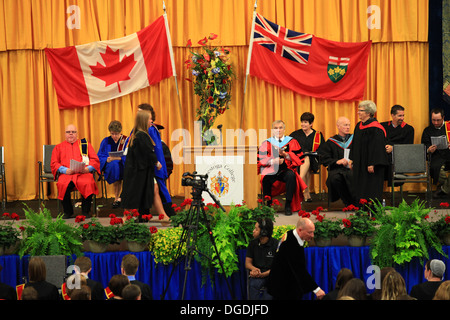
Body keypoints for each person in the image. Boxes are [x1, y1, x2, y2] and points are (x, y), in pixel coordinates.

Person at [123, 103, 174, 220]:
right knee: (146, 191)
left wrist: (157, 164)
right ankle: (148, 217)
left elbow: (154, 149)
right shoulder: (139, 131)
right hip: (141, 167)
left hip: (148, 167)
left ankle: (167, 216)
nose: (137, 114)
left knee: (156, 190)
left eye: (140, 112)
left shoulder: (149, 130)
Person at [267, 217, 325, 300]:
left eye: (313, 232)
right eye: (310, 232)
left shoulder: (291, 235)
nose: (312, 235)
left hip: (289, 284)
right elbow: (299, 269)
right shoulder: (290, 244)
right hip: (282, 289)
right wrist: (316, 289)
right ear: (300, 230)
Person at [257, 120, 307, 215]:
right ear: (272, 130)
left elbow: (300, 159)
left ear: (284, 129)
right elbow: (260, 160)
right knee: (265, 178)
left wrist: (286, 155)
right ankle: (268, 205)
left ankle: (288, 205)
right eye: (276, 128)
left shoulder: (292, 141)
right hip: (271, 169)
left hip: (286, 169)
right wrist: (273, 161)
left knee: (291, 176)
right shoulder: (267, 143)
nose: (278, 130)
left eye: (280, 128)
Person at [50, 124, 101, 218]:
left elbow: (95, 160)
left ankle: (85, 211)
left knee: (88, 182)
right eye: (68, 132)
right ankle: (68, 212)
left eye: (73, 132)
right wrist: (65, 170)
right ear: (65, 134)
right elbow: (54, 163)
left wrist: (87, 169)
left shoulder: (85, 145)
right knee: (62, 184)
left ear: (77, 134)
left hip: (83, 173)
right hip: (67, 174)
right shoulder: (59, 147)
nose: (71, 134)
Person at [350, 100, 388, 203]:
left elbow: (377, 148)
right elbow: (355, 144)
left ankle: (374, 213)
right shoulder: (358, 126)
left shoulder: (376, 128)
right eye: (358, 110)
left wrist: (372, 163)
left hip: (371, 166)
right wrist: (352, 159)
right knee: (360, 188)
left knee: (372, 190)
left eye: (361, 110)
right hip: (360, 165)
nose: (358, 112)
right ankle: (361, 211)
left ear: (368, 113)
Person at [317, 117, 356, 206]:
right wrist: (337, 161)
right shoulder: (331, 142)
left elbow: (361, 153)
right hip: (337, 169)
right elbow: (324, 157)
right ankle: (348, 202)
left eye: (349, 125)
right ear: (338, 126)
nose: (348, 127)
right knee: (334, 179)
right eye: (345, 125)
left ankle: (354, 202)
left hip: (352, 168)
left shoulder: (354, 139)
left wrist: (353, 162)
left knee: (352, 176)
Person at [290, 112, 325, 202]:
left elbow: (322, 150)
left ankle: (299, 181)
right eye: (302, 122)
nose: (303, 124)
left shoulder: (318, 135)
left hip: (313, 161)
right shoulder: (295, 134)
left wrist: (311, 153)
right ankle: (306, 192)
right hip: (297, 161)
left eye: (305, 122)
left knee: (307, 158)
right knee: (305, 161)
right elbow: (289, 147)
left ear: (311, 124)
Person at [380, 105, 415, 186]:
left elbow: (408, 148)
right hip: (383, 155)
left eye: (403, 115)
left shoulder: (409, 129)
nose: (402, 118)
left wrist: (394, 149)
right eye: (399, 116)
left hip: (399, 158)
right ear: (392, 115)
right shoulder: (382, 126)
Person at [245, 218, 279, 300]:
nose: (253, 231)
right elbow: (247, 263)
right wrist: (254, 269)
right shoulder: (252, 243)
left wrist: (263, 274)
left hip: (272, 275)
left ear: (264, 231)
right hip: (257, 275)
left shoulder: (276, 244)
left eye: (256, 229)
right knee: (253, 286)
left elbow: (278, 267)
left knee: (269, 295)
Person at [97, 120, 127, 208]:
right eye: (112, 133)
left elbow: (130, 155)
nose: (114, 136)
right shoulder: (106, 141)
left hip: (123, 165)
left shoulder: (125, 140)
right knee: (114, 166)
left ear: (120, 132)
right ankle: (117, 198)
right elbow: (100, 155)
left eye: (116, 134)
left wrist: (118, 158)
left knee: (117, 166)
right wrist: (106, 159)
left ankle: (119, 197)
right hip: (111, 166)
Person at [421, 108, 450, 186]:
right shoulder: (427, 130)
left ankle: (444, 190)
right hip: (436, 156)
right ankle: (444, 188)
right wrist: (428, 149)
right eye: (433, 120)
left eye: (438, 120)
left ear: (443, 118)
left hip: (448, 154)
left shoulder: (448, 127)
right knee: (436, 169)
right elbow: (424, 145)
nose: (436, 123)